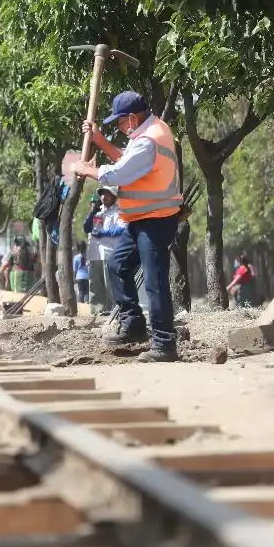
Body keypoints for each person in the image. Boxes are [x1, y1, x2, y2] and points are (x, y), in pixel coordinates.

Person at [72, 91, 183, 363]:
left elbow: (120, 173)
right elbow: (126, 161)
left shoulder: (149, 140)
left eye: (120, 122)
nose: (120, 127)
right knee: (117, 264)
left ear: (132, 118)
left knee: (155, 281)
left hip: (156, 219)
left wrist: (88, 170)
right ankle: (133, 323)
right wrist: (100, 141)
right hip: (142, 219)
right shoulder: (146, 134)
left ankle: (164, 344)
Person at [83, 186, 128, 315]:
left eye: (107, 194)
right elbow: (87, 228)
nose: (104, 197)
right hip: (95, 253)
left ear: (114, 196)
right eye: (102, 194)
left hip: (110, 253)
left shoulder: (119, 211)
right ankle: (97, 311)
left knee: (111, 284)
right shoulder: (98, 212)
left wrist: (104, 233)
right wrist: (93, 211)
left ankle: (116, 310)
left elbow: (122, 229)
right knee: (95, 284)